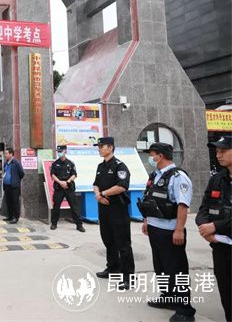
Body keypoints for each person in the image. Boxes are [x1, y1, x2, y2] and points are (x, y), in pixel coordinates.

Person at [138, 143, 195, 321]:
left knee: (176, 270)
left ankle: (185, 310)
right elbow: (149, 199)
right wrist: (146, 221)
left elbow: (183, 205)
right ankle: (168, 297)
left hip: (170, 231)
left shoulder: (178, 177)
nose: (150, 158)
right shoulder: (155, 176)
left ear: (160, 156)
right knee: (161, 268)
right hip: (155, 228)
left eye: (152, 155)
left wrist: (179, 230)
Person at [196, 135, 231, 322]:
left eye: (223, 151)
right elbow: (204, 207)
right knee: (225, 288)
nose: (218, 155)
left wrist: (214, 226)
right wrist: (204, 226)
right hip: (219, 245)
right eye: (217, 151)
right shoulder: (217, 179)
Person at [92, 137, 135, 290]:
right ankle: (113, 268)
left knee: (123, 244)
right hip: (103, 209)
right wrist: (98, 196)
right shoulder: (100, 166)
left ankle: (128, 277)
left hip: (118, 209)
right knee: (108, 240)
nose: (99, 149)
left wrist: (103, 193)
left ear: (110, 148)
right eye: (98, 146)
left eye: (101, 146)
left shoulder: (120, 166)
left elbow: (122, 186)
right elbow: (95, 184)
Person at [50, 145, 85, 232]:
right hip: (59, 187)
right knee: (56, 206)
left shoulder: (70, 163)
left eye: (61, 151)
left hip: (69, 187)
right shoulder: (55, 164)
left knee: (74, 206)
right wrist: (60, 182)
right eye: (58, 151)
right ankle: (54, 223)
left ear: (65, 151)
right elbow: (53, 175)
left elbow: (74, 174)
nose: (59, 153)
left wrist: (67, 182)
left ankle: (79, 225)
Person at [3, 148, 25, 224]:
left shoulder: (16, 163)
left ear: (11, 154)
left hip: (14, 186)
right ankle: (10, 216)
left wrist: (16, 180)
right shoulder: (6, 163)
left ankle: (16, 217)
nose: (5, 155)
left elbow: (22, 173)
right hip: (6, 186)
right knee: (8, 201)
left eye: (6, 153)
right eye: (5, 153)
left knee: (15, 202)